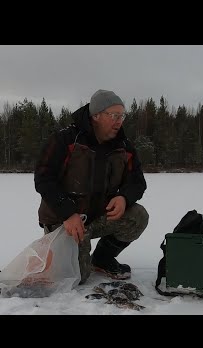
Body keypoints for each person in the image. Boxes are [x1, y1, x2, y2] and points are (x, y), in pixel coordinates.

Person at [34, 89, 149, 285]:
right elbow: (44, 179)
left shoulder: (124, 146)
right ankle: (53, 256)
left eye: (122, 115)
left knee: (138, 216)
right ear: (95, 116)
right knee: (78, 278)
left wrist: (124, 197)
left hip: (97, 218)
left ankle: (102, 259)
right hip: (65, 222)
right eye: (114, 115)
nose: (119, 120)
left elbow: (137, 181)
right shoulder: (65, 140)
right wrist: (67, 213)